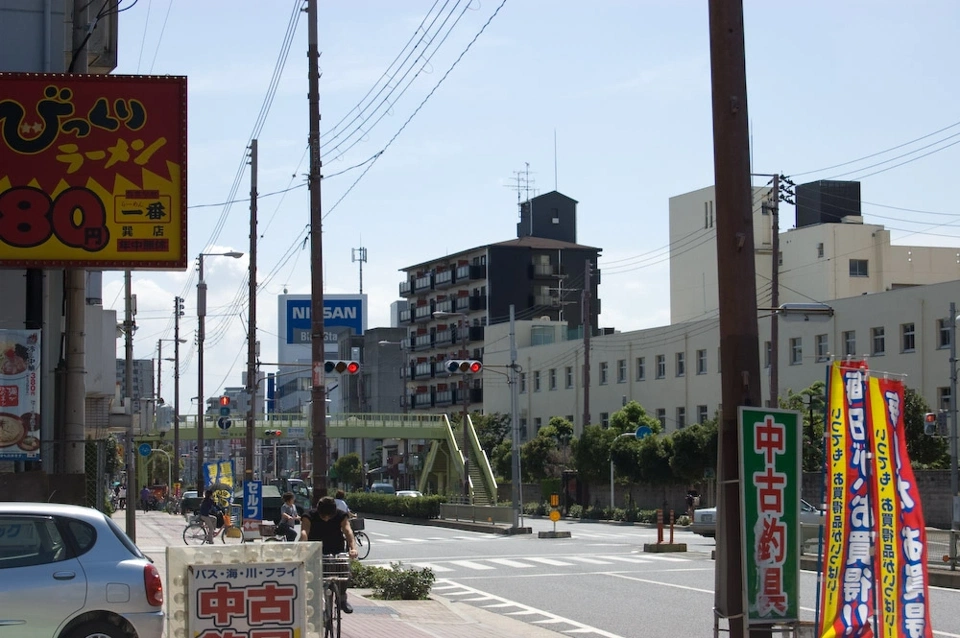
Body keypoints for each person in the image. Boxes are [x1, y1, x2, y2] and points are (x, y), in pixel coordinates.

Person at [301, 496, 358, 614]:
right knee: (312, 577)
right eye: (323, 516)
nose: (326, 518)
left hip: (336, 550)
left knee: (344, 569)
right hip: (316, 551)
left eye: (329, 516)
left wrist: (353, 548)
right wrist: (303, 546)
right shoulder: (309, 516)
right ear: (318, 510)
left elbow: (348, 531)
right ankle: (313, 602)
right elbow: (304, 532)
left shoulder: (341, 515)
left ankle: (342, 598)